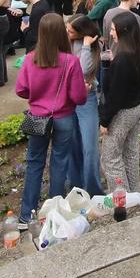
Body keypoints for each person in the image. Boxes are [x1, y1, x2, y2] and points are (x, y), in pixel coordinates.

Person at [14, 13, 87, 227]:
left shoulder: (30, 59)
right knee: (59, 162)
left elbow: (21, 90)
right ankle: (54, 211)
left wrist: (37, 98)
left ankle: (27, 214)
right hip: (63, 116)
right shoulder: (70, 61)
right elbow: (79, 97)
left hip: (37, 116)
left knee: (34, 163)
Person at [98, 12, 140, 192]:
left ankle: (121, 198)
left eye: (113, 29)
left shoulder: (123, 59)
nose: (111, 33)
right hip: (139, 105)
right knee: (130, 151)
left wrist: (105, 121)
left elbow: (115, 96)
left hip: (124, 110)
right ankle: (133, 193)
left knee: (110, 157)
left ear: (124, 31)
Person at [67, 15, 102, 195]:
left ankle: (93, 188)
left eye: (71, 31)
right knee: (73, 145)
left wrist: (87, 46)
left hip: (87, 99)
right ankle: (75, 186)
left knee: (90, 146)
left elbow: (83, 69)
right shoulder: (65, 44)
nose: (67, 33)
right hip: (68, 100)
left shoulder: (92, 46)